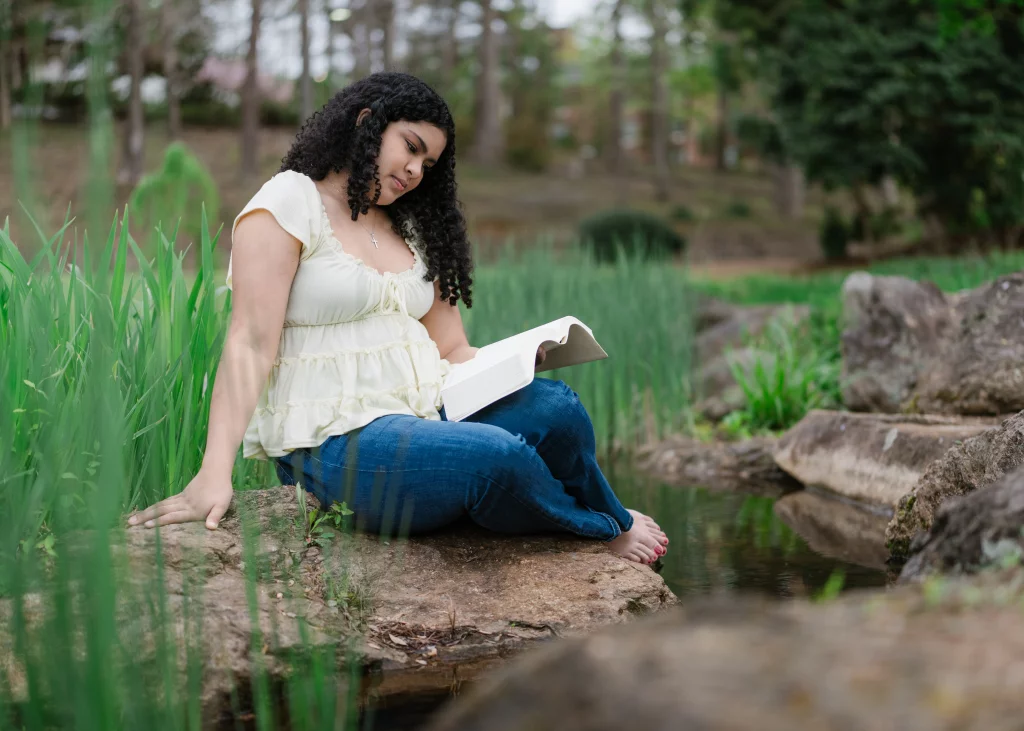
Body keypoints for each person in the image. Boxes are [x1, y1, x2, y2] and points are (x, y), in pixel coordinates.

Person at [128, 72, 669, 565]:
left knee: (560, 407)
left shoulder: (411, 228)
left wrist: (520, 360)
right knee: (495, 458)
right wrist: (213, 472)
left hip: (429, 413)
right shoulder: (290, 201)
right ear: (368, 123)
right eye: (410, 148)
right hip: (336, 442)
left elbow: (453, 350)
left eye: (427, 164)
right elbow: (249, 342)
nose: (414, 171)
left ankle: (603, 512)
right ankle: (598, 530)